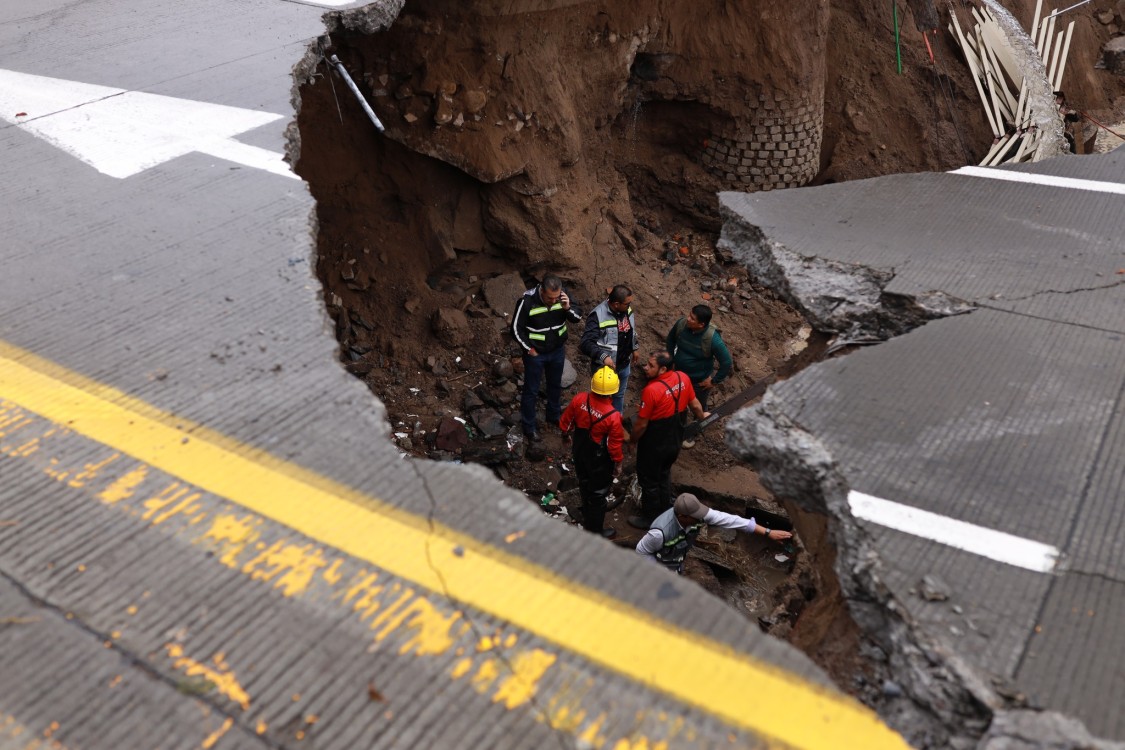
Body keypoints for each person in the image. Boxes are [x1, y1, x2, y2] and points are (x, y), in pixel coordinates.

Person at [627, 351, 708, 529]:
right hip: (674, 441)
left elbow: (640, 425)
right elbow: (694, 405)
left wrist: (632, 441)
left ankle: (651, 519)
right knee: (664, 474)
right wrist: (703, 417)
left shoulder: (651, 390)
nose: (645, 368)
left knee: (649, 481)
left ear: (663, 369)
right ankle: (665, 509)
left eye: (651, 366)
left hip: (654, 444)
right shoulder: (683, 378)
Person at [636, 493, 793, 574]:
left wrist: (767, 532)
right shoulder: (659, 533)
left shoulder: (696, 515)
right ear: (682, 516)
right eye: (697, 516)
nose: (702, 517)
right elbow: (641, 551)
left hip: (675, 563)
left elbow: (728, 520)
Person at [512, 274, 582, 441]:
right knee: (531, 390)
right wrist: (529, 349)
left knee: (555, 385)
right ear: (541, 291)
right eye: (550, 298)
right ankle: (529, 427)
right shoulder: (527, 301)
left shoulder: (563, 297)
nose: (553, 301)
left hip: (557, 350)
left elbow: (577, 318)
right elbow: (516, 329)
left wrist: (567, 307)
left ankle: (553, 415)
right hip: (536, 354)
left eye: (556, 298)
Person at [559, 367, 626, 539]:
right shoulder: (613, 416)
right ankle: (595, 531)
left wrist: (565, 436)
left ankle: (587, 511)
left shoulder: (580, 399)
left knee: (583, 480)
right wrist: (618, 463)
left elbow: (566, 422)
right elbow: (613, 446)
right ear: (613, 391)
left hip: (580, 449)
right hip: (599, 458)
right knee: (598, 493)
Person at [578, 284, 640, 413]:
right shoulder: (597, 316)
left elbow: (631, 331)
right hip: (604, 369)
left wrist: (634, 348)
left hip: (624, 364)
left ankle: (615, 425)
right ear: (616, 304)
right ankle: (596, 424)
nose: (630, 306)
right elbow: (585, 343)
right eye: (627, 303)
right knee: (599, 400)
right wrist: (603, 357)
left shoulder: (626, 310)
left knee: (619, 395)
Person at [665, 304, 732, 412]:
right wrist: (671, 360)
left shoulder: (713, 339)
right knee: (676, 403)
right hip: (677, 376)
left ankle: (700, 423)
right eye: (689, 315)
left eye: (692, 318)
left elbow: (726, 362)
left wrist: (714, 381)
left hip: (698, 382)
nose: (688, 318)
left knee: (698, 407)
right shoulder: (681, 324)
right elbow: (670, 341)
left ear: (701, 324)